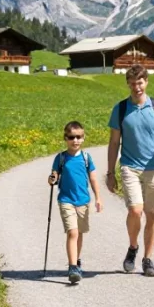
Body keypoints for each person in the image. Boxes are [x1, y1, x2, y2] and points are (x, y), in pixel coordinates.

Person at [107, 65, 154, 277]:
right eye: (132, 83)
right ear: (128, 84)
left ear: (146, 82)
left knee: (153, 215)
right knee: (135, 210)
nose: (136, 87)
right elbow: (113, 143)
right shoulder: (120, 109)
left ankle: (148, 259)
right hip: (130, 167)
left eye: (140, 82)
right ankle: (132, 248)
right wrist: (110, 173)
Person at [48, 121, 103, 284]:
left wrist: (98, 197)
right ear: (65, 138)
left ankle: (76, 261)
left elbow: (93, 178)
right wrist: (52, 179)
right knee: (72, 232)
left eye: (79, 137)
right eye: (71, 137)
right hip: (66, 200)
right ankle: (72, 267)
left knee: (79, 233)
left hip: (83, 201)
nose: (75, 140)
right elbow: (54, 175)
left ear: (83, 138)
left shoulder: (86, 158)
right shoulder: (61, 158)